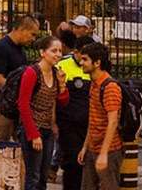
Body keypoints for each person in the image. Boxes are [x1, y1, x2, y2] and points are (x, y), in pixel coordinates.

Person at [17, 35, 68, 190]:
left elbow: (62, 102)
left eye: (60, 51)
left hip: (47, 130)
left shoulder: (55, 72)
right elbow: (23, 105)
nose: (58, 54)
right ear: (42, 52)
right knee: (33, 176)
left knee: (43, 176)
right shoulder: (32, 73)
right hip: (32, 129)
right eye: (54, 50)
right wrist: (33, 134)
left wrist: (61, 84)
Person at [78, 41, 123, 190]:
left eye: (85, 59)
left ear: (97, 63)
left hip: (109, 151)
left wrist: (103, 154)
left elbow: (112, 122)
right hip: (93, 148)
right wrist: (85, 147)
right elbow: (93, 119)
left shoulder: (110, 87)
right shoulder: (94, 84)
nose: (81, 62)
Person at [57, 33, 93, 190]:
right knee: (72, 164)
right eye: (82, 54)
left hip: (90, 126)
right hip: (69, 126)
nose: (84, 59)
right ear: (76, 52)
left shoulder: (94, 67)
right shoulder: (62, 65)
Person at [0, 14, 40, 91]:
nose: (34, 39)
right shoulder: (0, 47)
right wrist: (21, 89)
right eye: (32, 34)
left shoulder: (20, 48)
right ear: (22, 29)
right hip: (3, 99)